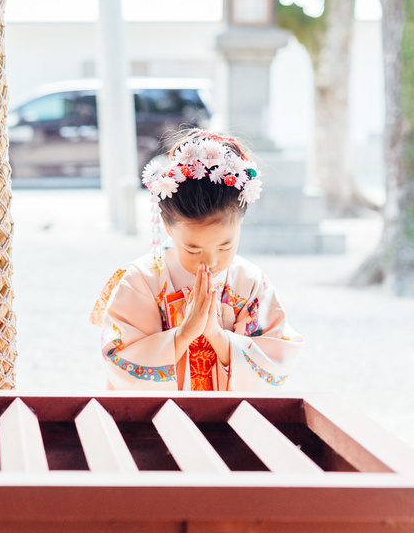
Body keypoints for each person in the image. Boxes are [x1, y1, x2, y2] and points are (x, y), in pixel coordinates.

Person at [91, 129, 303, 391]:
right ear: (169, 230)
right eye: (193, 249)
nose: (211, 261)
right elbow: (118, 362)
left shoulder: (250, 283)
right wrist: (184, 334)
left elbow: (275, 366)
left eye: (226, 246)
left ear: (241, 225)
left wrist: (216, 335)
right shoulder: (142, 281)